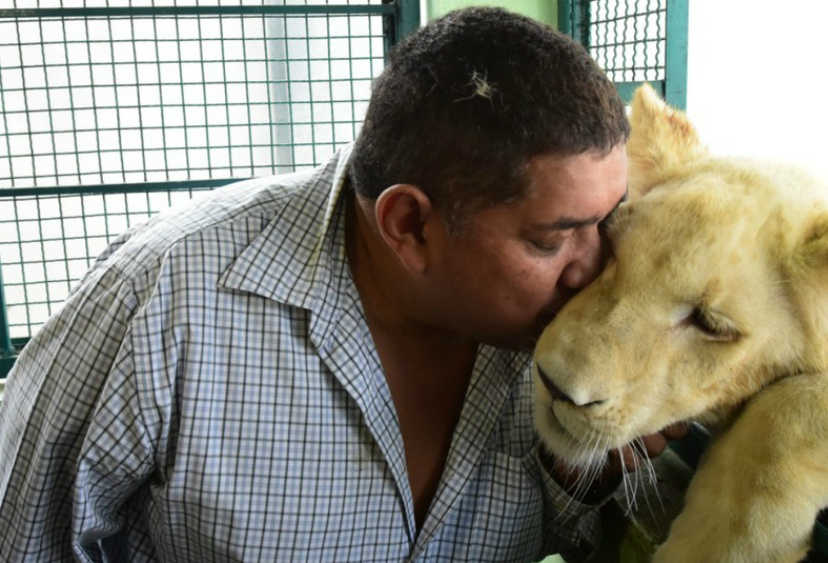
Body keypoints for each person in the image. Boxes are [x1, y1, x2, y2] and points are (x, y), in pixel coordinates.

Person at [0, 7, 681, 562]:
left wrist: (573, 479)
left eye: (607, 220)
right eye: (551, 238)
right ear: (409, 224)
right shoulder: (161, 299)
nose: (595, 269)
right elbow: (22, 537)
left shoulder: (562, 324)